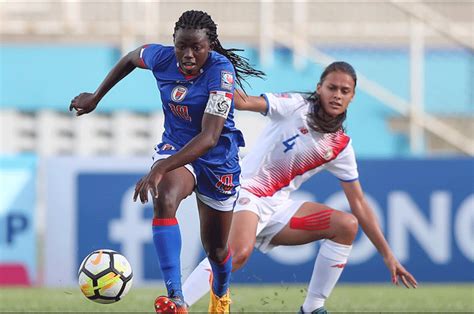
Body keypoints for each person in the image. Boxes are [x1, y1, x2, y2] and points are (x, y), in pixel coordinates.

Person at [181, 61, 418, 313]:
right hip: (245, 193)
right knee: (237, 253)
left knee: (346, 226)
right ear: (320, 88)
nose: (337, 95)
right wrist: (217, 74)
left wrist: (387, 255)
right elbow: (244, 102)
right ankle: (178, 303)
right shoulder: (296, 106)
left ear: (352, 96)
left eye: (344, 91)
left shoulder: (339, 146)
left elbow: (358, 203)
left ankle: (312, 308)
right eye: (332, 88)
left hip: (277, 208)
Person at [69, 10, 264, 313]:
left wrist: (160, 166)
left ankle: (221, 293)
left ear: (209, 45)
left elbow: (210, 136)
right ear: (173, 42)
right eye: (181, 46)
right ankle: (177, 297)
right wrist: (96, 97)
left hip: (218, 160)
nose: (187, 55)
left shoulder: (221, 73)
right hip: (175, 146)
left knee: (216, 249)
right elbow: (132, 58)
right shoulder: (161, 58)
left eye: (196, 48)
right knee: (165, 198)